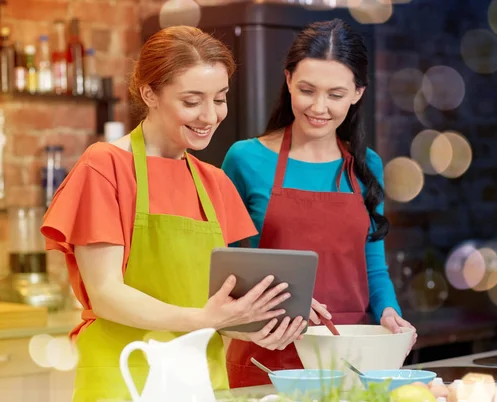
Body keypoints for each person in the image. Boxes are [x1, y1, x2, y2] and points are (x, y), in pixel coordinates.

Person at [40, 26, 304, 402]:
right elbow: (106, 294)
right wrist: (206, 320)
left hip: (200, 380)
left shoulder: (214, 183)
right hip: (124, 378)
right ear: (149, 93)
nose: (210, 115)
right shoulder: (105, 166)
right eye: (192, 100)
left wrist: (256, 321)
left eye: (220, 99)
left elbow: (210, 305)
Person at [221, 18, 418, 388]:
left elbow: (373, 268)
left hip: (349, 358)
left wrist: (390, 314)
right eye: (307, 90)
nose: (319, 107)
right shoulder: (245, 159)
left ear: (358, 93)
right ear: (288, 80)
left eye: (336, 94)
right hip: (267, 357)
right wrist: (283, 303)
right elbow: (223, 271)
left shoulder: (366, 165)